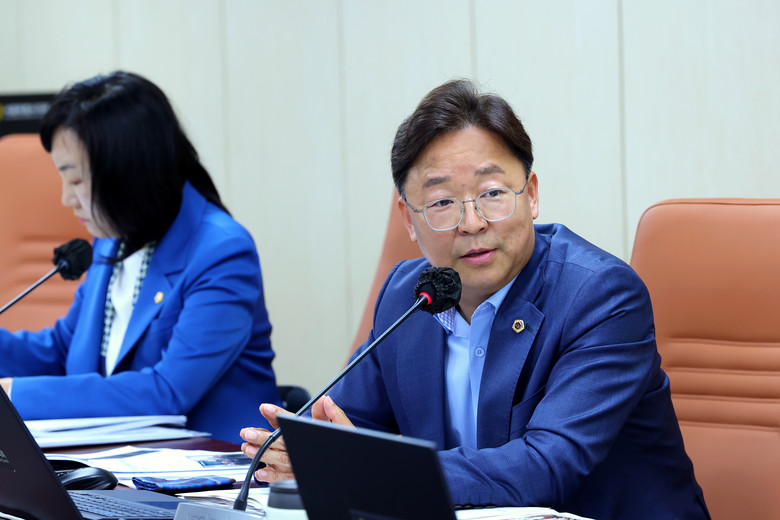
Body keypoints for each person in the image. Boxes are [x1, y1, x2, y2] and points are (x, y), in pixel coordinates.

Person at [239, 80, 710, 519]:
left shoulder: (601, 296)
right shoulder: (408, 296)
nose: (472, 223)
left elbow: (546, 466)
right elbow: (348, 426)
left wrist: (368, 469)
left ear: (532, 196)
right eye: (442, 202)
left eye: (492, 193)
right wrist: (303, 451)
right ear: (408, 218)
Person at [0, 71, 281, 443]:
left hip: (216, 464)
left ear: (128, 171)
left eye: (77, 180)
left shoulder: (222, 252)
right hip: (120, 458)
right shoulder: (112, 238)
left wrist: (13, 394)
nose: (67, 199)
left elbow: (167, 392)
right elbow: (65, 348)